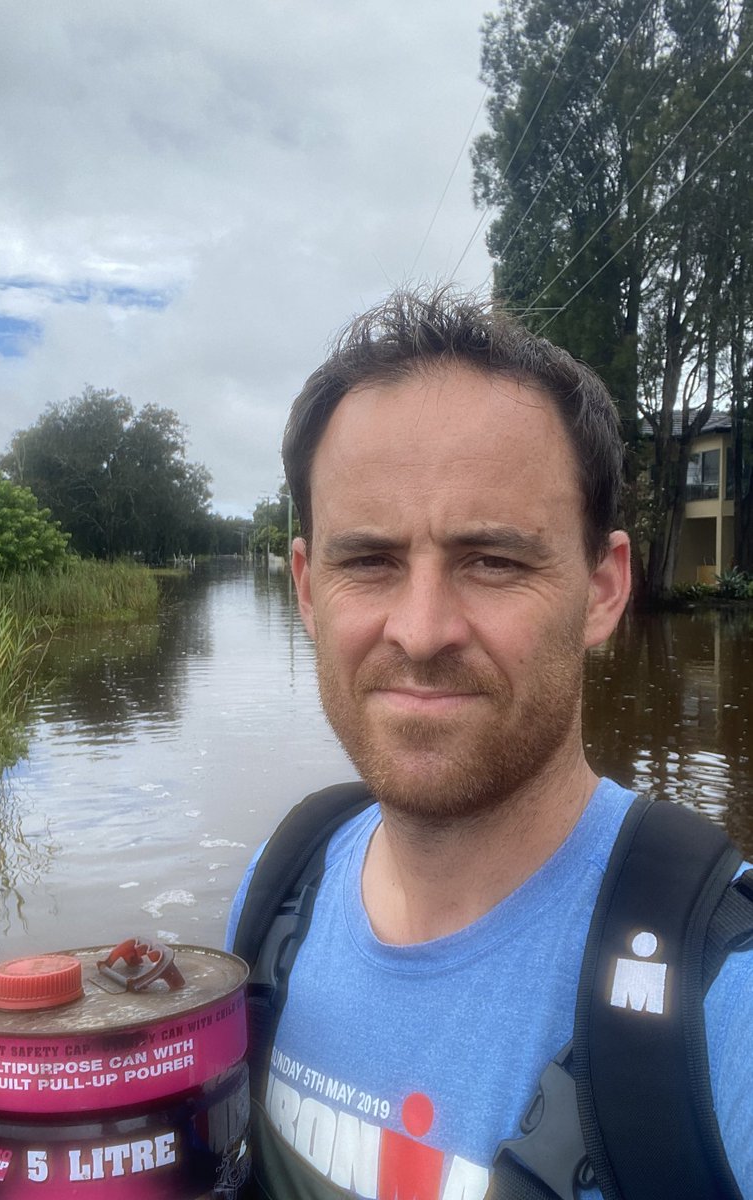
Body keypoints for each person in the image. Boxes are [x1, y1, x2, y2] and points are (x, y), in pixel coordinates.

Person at [226, 286, 753, 1199]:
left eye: (494, 561)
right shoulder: (276, 896)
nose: (422, 631)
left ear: (602, 588)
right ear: (308, 590)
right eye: (370, 560)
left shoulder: (725, 1001)